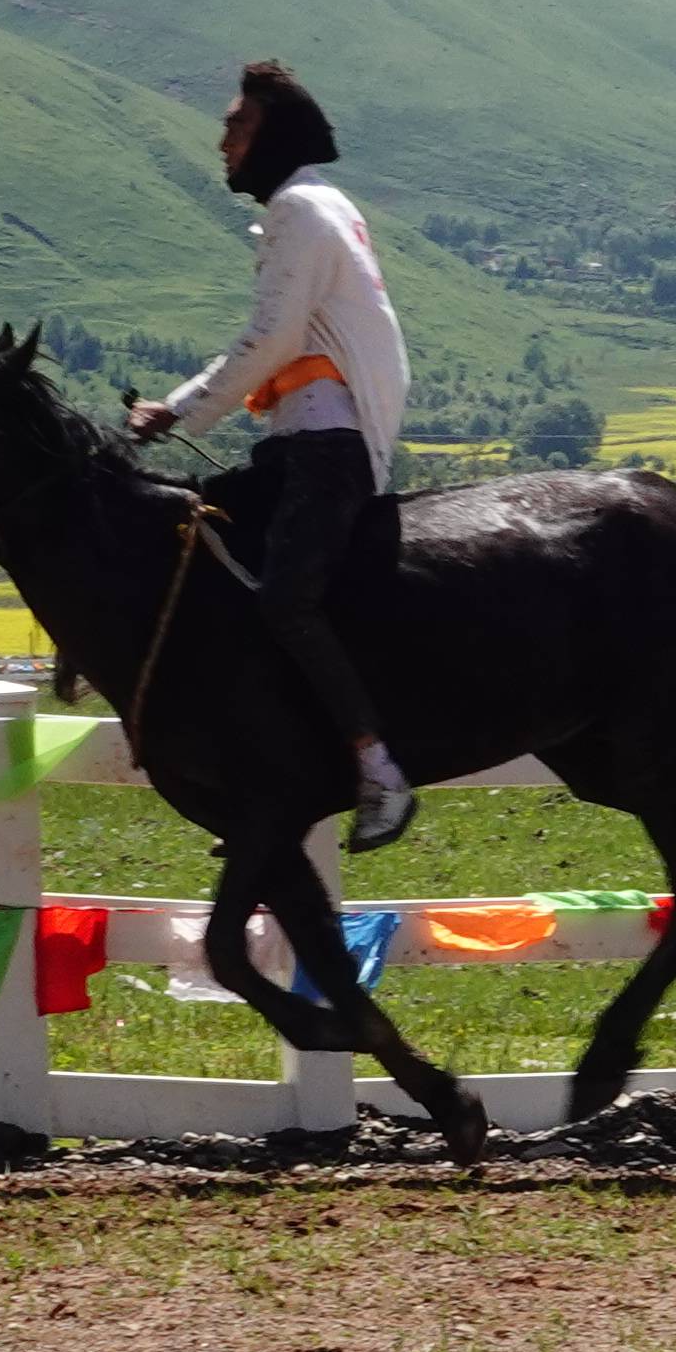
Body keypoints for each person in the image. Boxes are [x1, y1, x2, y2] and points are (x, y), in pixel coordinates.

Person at [131, 59, 419, 847]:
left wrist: (178, 410)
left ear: (271, 137)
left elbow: (274, 340)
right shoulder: (318, 205)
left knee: (286, 602)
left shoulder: (299, 209)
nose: (222, 141)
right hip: (307, 438)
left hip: (324, 444)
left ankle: (379, 771)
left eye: (237, 125)